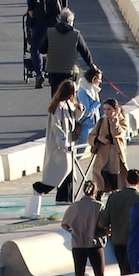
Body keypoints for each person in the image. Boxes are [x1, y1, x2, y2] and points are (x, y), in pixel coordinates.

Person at [31, 79, 83, 216]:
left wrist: (79, 109)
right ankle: (40, 187)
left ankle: (64, 198)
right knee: (61, 171)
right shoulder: (59, 106)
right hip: (61, 145)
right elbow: (57, 126)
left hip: (67, 144)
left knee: (69, 173)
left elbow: (75, 118)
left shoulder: (68, 104)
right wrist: (62, 143)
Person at [62, 181, 107, 276]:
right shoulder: (99, 206)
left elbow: (64, 224)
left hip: (78, 245)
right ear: (95, 192)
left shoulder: (74, 206)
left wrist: (73, 231)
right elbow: (105, 224)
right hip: (94, 244)